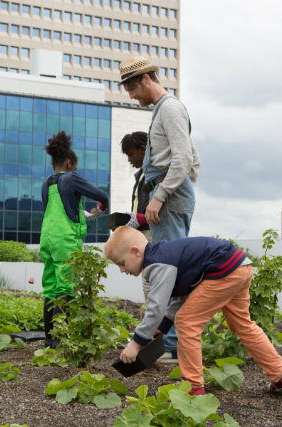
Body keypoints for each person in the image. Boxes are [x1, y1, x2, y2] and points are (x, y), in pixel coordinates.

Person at [104, 226, 282, 396]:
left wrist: (136, 344)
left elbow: (156, 307)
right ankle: (281, 376)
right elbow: (181, 299)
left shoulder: (157, 263)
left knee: (187, 322)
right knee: (242, 324)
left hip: (224, 270)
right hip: (239, 265)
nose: (122, 270)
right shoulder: (164, 255)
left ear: (136, 251)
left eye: (122, 263)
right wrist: (161, 327)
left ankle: (193, 386)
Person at [119, 55, 201, 358]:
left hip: (169, 202)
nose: (130, 95)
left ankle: (170, 346)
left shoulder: (170, 109)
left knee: (169, 273)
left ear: (145, 79)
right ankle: (165, 343)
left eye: (131, 87)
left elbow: (184, 160)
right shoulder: (164, 110)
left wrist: (162, 195)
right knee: (167, 271)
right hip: (171, 200)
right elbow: (194, 159)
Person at [40, 131, 109, 348]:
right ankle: (62, 341)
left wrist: (84, 215)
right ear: (69, 162)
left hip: (47, 238)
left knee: (50, 288)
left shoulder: (46, 183)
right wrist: (100, 211)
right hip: (65, 240)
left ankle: (50, 339)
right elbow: (103, 197)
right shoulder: (72, 178)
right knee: (66, 287)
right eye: (75, 166)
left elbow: (60, 211)